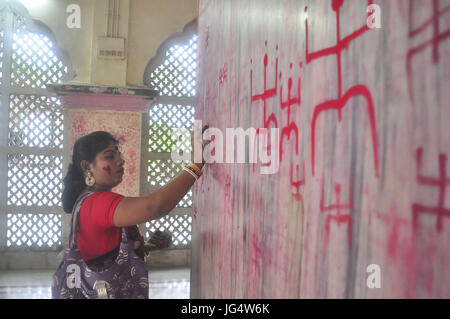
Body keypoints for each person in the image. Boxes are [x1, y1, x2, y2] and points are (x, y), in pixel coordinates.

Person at [59, 129, 208, 288]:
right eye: (110, 156)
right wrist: (197, 164)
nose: (120, 161)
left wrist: (148, 245)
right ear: (87, 166)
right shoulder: (97, 203)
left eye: (119, 155)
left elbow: (105, 251)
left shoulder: (86, 200)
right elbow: (155, 207)